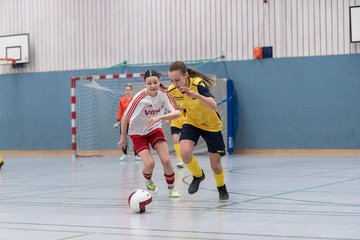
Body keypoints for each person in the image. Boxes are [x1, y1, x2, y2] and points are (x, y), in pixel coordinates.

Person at [167, 61, 229, 200]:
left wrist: (196, 95)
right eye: (172, 80)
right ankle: (198, 175)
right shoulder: (172, 90)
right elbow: (178, 108)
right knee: (185, 153)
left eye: (177, 80)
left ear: (186, 75)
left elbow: (213, 105)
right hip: (192, 122)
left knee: (216, 165)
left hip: (211, 125)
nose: (175, 84)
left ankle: (221, 187)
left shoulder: (197, 83)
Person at [119, 69, 181, 198]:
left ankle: (171, 188)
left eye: (155, 82)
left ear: (159, 82)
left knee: (166, 160)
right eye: (149, 83)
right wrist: (123, 138)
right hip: (137, 133)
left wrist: (159, 118)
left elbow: (176, 113)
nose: (152, 85)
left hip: (154, 129)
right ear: (145, 84)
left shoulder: (164, 94)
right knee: (150, 163)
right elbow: (125, 117)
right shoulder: (139, 99)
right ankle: (148, 180)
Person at [114, 84, 141, 161]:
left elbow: (138, 111)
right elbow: (120, 111)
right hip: (124, 123)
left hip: (133, 123)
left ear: (131, 91)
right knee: (123, 138)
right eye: (126, 90)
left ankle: (137, 155)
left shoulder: (135, 99)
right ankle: (124, 154)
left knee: (134, 139)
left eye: (129, 90)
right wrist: (118, 121)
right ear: (124, 91)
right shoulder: (121, 100)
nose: (128, 91)